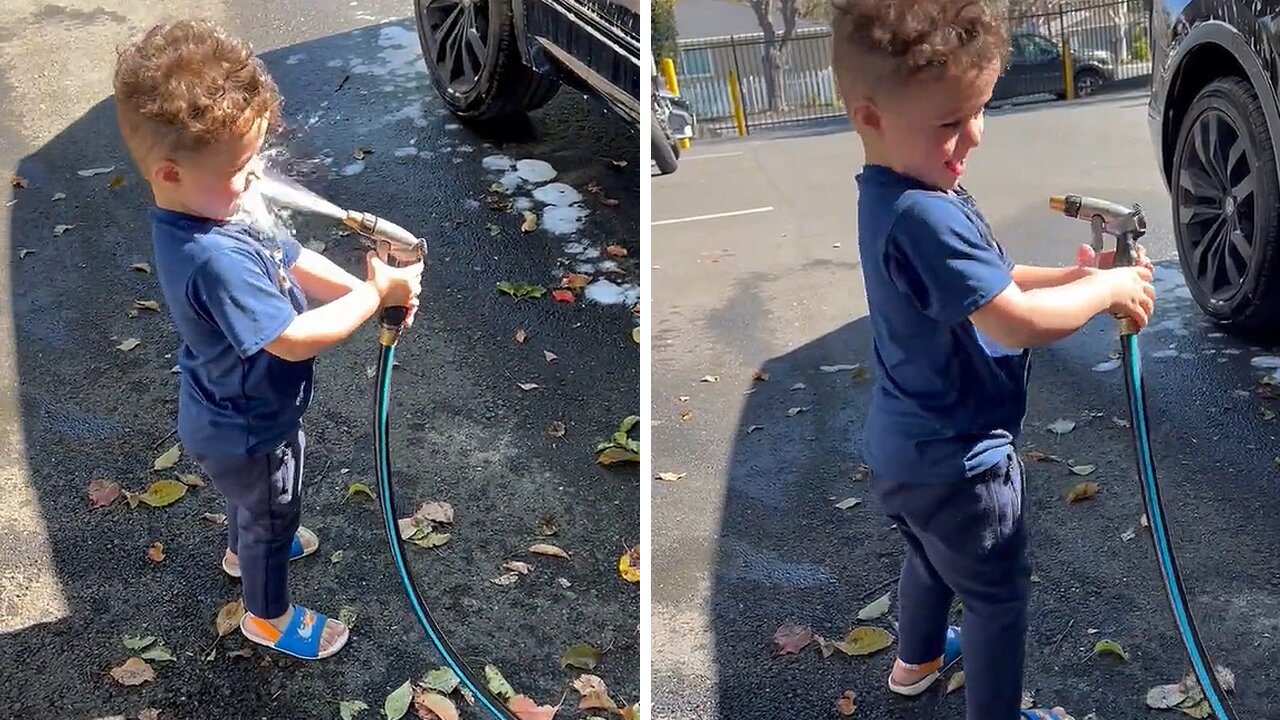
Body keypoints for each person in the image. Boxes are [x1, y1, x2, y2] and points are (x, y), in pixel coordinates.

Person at [829, 1, 1155, 718]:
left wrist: (1075, 279)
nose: (971, 135)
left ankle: (915, 663)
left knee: (929, 556)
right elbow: (1013, 322)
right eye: (949, 122)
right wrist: (1105, 290)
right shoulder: (925, 214)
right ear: (869, 116)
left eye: (979, 111)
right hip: (961, 464)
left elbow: (996, 281)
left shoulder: (902, 190)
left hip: (904, 451)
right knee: (996, 598)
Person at [112, 20, 424, 660]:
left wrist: (363, 288)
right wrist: (374, 297)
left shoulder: (217, 209)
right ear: (170, 173)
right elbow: (291, 339)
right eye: (239, 167)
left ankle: (245, 547)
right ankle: (268, 617)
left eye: (255, 160)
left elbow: (293, 255)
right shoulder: (210, 254)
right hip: (249, 428)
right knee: (273, 508)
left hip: (238, 411)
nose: (255, 179)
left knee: (258, 508)